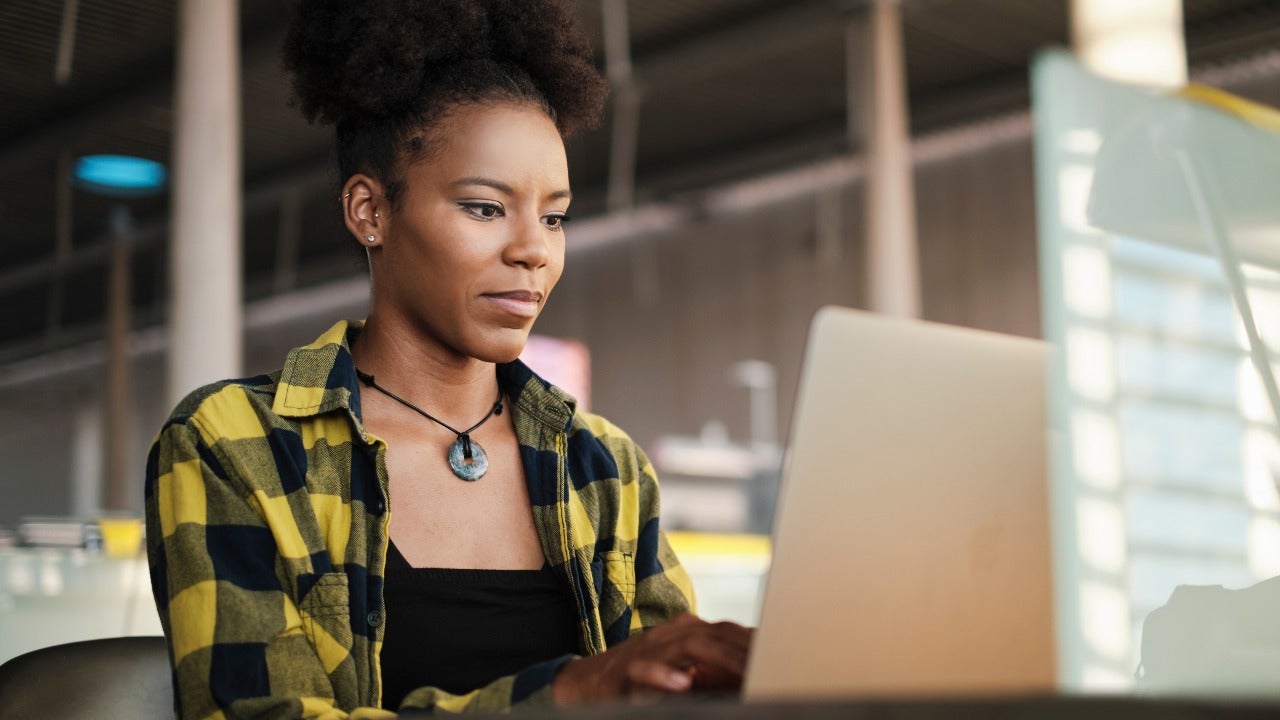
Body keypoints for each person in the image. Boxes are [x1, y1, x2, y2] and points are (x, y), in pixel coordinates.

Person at [143, 0, 753, 717]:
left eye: (554, 216)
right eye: (485, 208)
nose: (533, 250)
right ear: (371, 212)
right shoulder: (234, 446)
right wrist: (567, 694)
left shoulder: (606, 470)